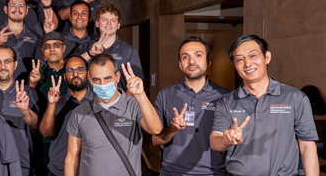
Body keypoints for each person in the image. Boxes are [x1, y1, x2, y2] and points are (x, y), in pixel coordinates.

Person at [210, 35, 319, 176]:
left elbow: (307, 147)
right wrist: (226, 139)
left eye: (253, 55)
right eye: (239, 59)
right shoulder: (226, 101)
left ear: (267, 57)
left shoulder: (295, 97)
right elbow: (215, 140)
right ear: (235, 66)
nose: (247, 64)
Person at [65, 54, 161, 176]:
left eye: (107, 78)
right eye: (97, 80)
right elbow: (71, 158)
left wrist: (140, 95)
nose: (103, 84)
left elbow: (155, 129)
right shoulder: (80, 112)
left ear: (117, 77)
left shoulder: (134, 105)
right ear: (89, 79)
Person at [150, 37, 230, 175]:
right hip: (172, 173)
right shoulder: (166, 94)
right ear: (180, 64)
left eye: (198, 55)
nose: (191, 61)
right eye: (185, 57)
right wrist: (173, 129)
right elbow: (155, 140)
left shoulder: (225, 96)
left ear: (208, 61)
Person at [0, 45, 40, 176]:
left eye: (7, 61)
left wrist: (25, 110)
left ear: (15, 65)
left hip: (22, 165)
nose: (3, 66)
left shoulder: (28, 92)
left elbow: (34, 123)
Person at [40, 56, 95, 176]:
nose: (75, 74)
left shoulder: (99, 103)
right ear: (65, 77)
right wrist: (51, 104)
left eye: (80, 69)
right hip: (58, 171)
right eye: (70, 71)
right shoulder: (57, 102)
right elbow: (45, 132)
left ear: (87, 74)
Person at [0, 0, 41, 82]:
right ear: (5, 9)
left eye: (21, 6)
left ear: (27, 10)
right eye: (13, 5)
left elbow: (39, 67)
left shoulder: (35, 37)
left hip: (24, 91)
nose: (17, 9)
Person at [83, 2, 143, 92]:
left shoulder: (129, 51)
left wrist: (124, 104)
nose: (109, 23)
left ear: (118, 25)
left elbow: (135, 83)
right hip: (91, 103)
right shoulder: (86, 47)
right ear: (97, 23)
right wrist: (90, 54)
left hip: (119, 103)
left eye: (113, 20)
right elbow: (72, 67)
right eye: (104, 19)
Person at [29, 32, 69, 100]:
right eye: (47, 46)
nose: (52, 49)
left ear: (64, 48)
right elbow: (28, 102)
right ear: (42, 50)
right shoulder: (37, 73)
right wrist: (33, 83)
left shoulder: (73, 69)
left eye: (56, 45)